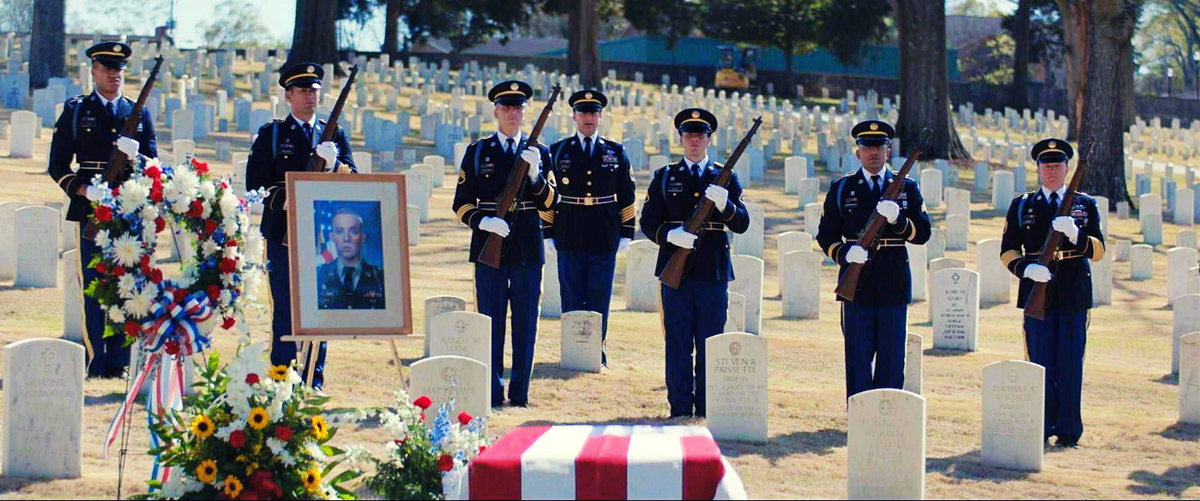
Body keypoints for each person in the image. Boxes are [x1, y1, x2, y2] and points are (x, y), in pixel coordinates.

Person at [48, 41, 157, 379]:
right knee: (94, 285)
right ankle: (96, 359)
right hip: (91, 209)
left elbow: (154, 165)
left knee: (128, 286)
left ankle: (121, 360)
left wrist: (137, 156)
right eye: (107, 68)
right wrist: (83, 189)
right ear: (93, 71)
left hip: (129, 208)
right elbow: (57, 165)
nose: (114, 74)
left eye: (119, 68)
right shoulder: (77, 111)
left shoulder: (136, 112)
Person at [246, 62, 356, 390]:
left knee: (320, 306)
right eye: (303, 90)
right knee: (285, 306)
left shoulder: (334, 134)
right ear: (288, 95)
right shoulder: (274, 134)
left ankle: (313, 378)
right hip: (283, 234)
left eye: (315, 90)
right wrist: (290, 196)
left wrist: (335, 164)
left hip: (324, 233)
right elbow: (257, 184)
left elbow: (356, 182)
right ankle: (282, 375)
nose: (310, 96)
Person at [451, 80, 557, 408]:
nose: (513, 113)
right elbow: (461, 203)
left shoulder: (540, 152)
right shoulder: (479, 151)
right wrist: (484, 222)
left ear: (525, 112)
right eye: (506, 107)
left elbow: (552, 203)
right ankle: (493, 391)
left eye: (518, 107)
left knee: (526, 321)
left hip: (526, 244)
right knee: (491, 320)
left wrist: (537, 176)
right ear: (496, 111)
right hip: (489, 246)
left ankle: (520, 392)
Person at [639, 108, 749, 418]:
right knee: (677, 342)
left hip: (712, 271)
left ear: (709, 140)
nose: (695, 140)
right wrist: (671, 234)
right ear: (681, 139)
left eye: (701, 135)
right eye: (689, 135)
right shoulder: (666, 176)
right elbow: (648, 222)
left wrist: (726, 204)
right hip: (676, 272)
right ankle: (680, 406)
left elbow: (741, 223)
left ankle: (706, 406)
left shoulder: (725, 176)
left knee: (710, 343)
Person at [815, 120, 931, 400]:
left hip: (893, 282)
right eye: (867, 146)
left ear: (888, 151)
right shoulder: (842, 189)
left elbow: (923, 233)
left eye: (880, 146)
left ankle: (887, 416)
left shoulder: (907, 188)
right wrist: (844, 254)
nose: (874, 152)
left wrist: (898, 219)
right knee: (857, 356)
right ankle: (858, 414)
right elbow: (825, 236)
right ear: (858, 152)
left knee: (892, 358)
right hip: (857, 287)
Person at [1000, 138, 1104, 448]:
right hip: (1037, 291)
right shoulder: (1023, 205)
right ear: (1038, 169)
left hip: (1073, 291)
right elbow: (1007, 251)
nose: (1051, 171)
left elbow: (1098, 251)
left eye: (1057, 165)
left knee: (1071, 362)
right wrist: (1026, 270)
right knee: (1039, 361)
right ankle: (1040, 425)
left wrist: (1076, 234)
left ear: (1067, 168)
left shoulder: (1085, 205)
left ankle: (1069, 429)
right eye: (1046, 166)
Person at [543, 89, 635, 366]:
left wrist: (627, 232)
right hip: (568, 229)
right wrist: (547, 232)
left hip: (604, 230)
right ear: (573, 116)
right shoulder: (558, 150)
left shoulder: (615, 151)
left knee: (599, 292)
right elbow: (548, 195)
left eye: (593, 113)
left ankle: (597, 349)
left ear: (600, 116)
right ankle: (573, 347)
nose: (588, 118)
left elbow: (627, 194)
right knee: (571, 291)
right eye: (583, 112)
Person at [316, 208, 385, 310]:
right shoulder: (318, 274)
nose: (346, 238)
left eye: (353, 231)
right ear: (332, 237)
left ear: (362, 237)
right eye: (340, 231)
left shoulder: (380, 277)